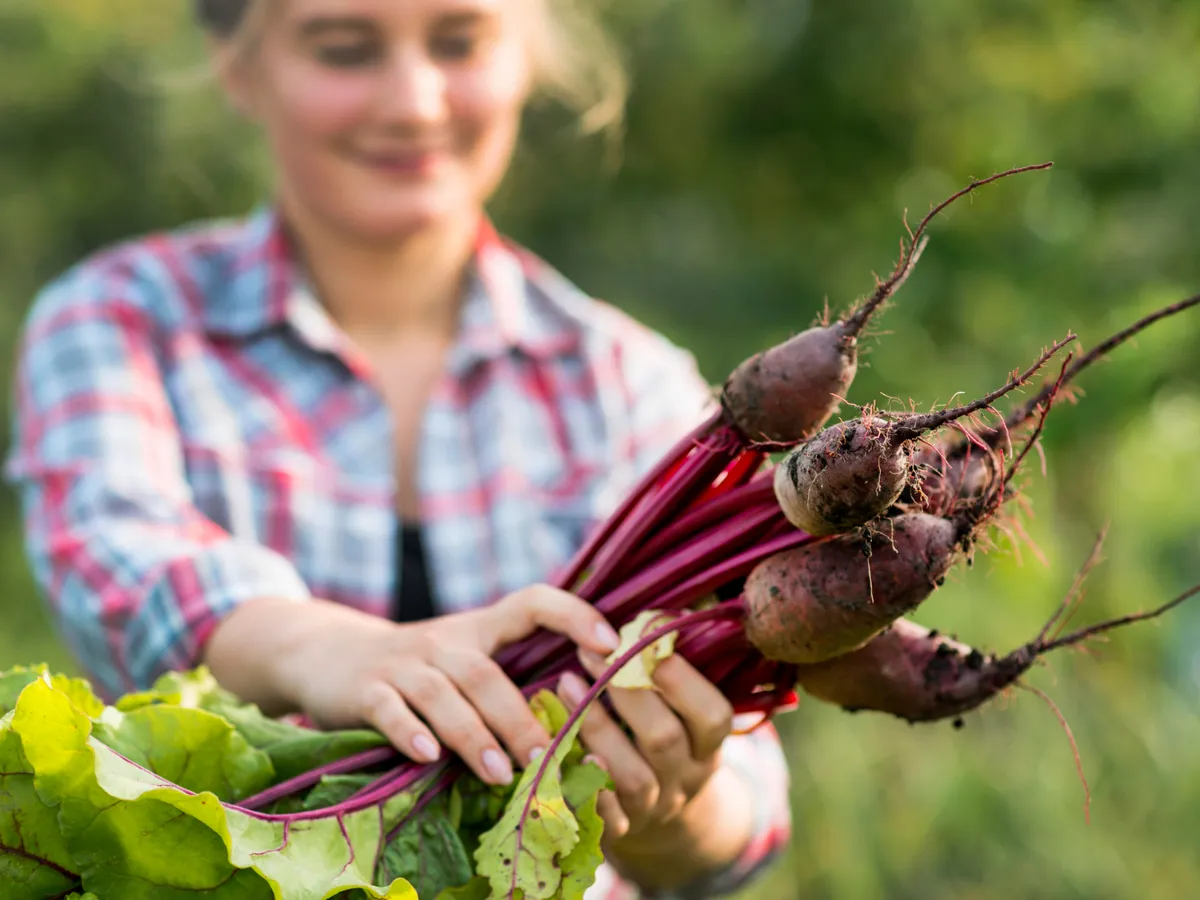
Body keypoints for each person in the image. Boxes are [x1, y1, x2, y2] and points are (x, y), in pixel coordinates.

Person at [5, 0, 792, 896]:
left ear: (525, 55)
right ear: (239, 67)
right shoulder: (118, 320)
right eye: (344, 50)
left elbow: (747, 807)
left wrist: (672, 811)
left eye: (459, 42)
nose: (415, 102)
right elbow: (118, 549)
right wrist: (328, 650)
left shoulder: (629, 381)